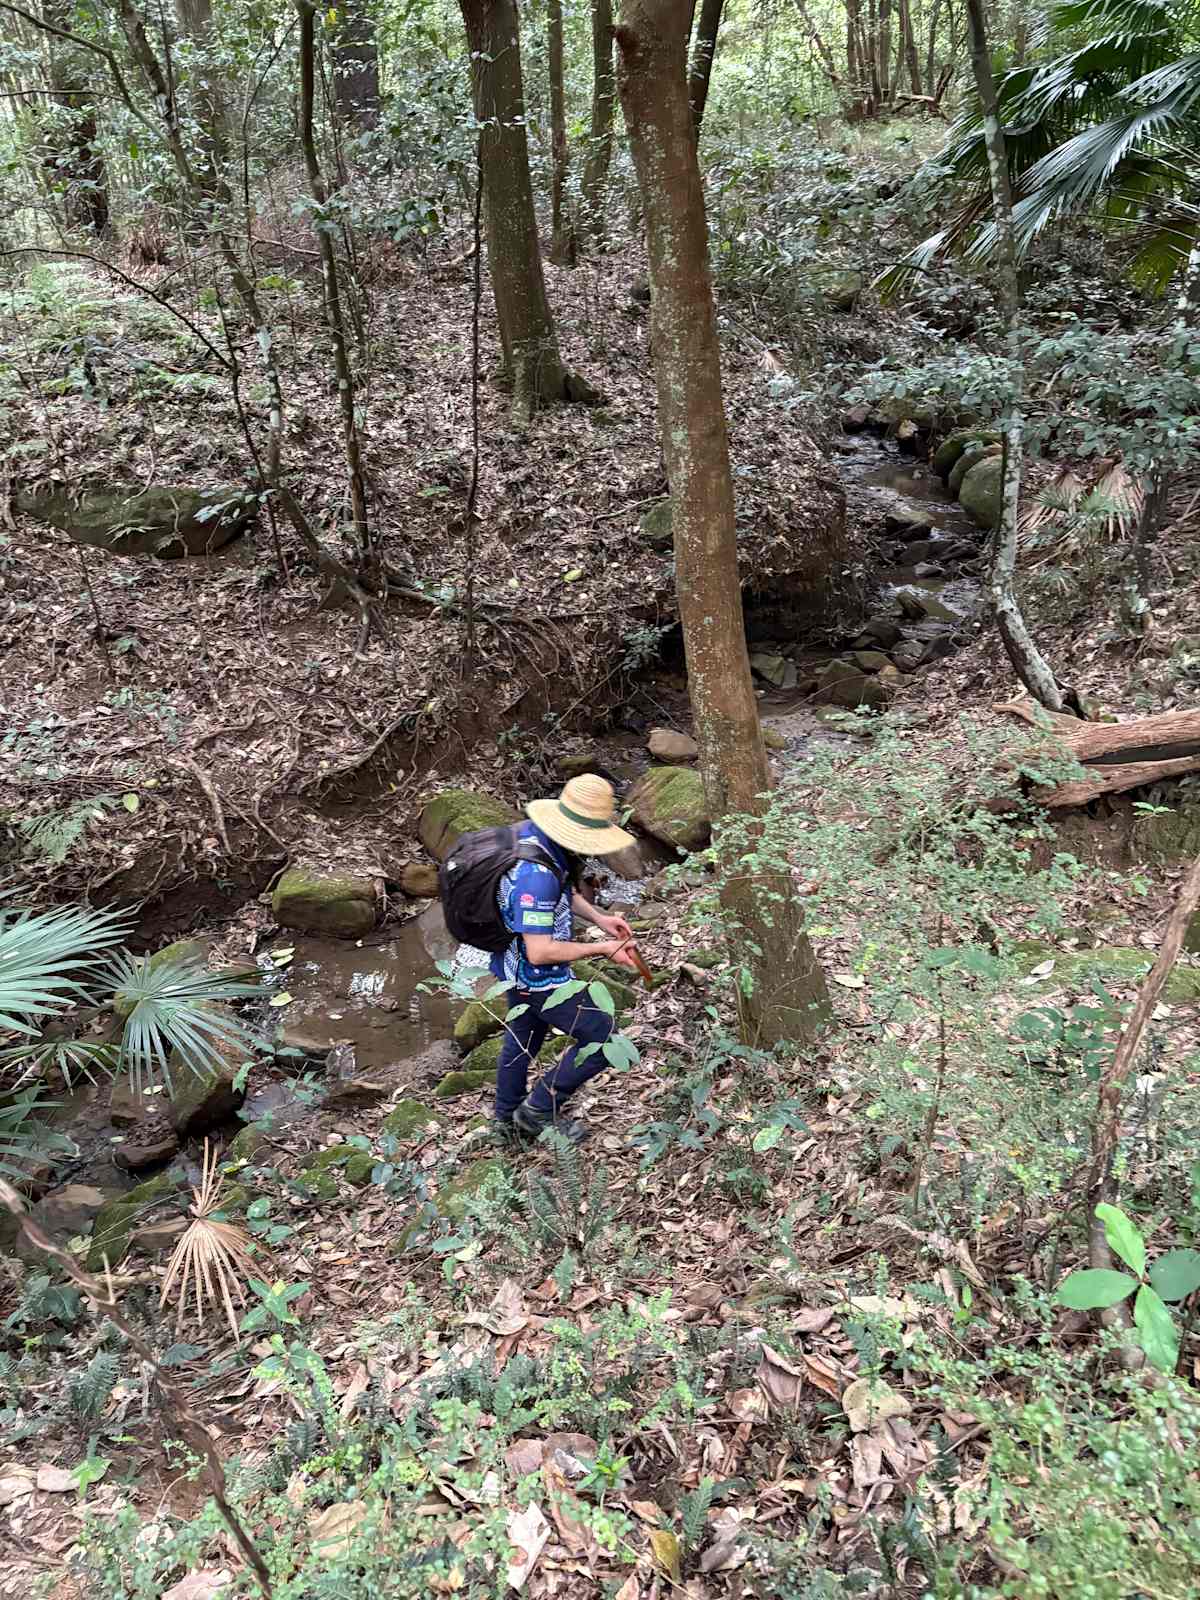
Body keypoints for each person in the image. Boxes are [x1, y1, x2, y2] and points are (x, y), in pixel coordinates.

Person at [491, 773, 640, 1145]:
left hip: (509, 963)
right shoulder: (535, 875)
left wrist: (600, 919)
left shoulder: (537, 836)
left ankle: (506, 1120)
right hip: (537, 975)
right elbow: (540, 951)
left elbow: (563, 889)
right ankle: (537, 1111)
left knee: (523, 1038)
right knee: (603, 1041)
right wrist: (602, 948)